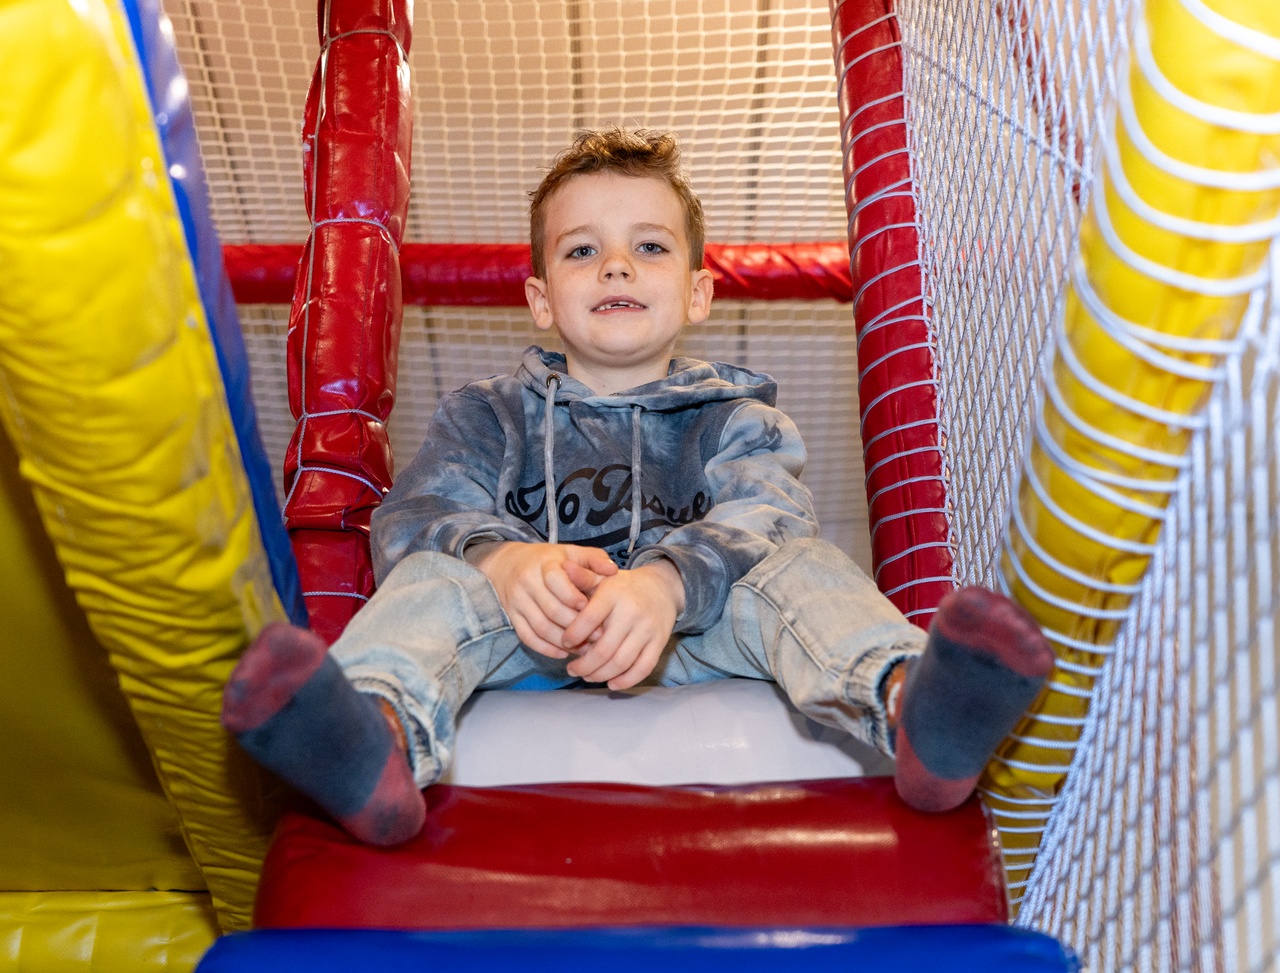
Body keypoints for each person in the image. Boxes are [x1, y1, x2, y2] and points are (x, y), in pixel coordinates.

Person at [222, 128, 1054, 846]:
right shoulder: (489, 414)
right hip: (527, 634)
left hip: (698, 635)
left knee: (798, 565)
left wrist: (664, 583)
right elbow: (414, 513)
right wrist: (505, 564)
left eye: (649, 246)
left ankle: (910, 702)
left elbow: (767, 511)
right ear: (542, 301)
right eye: (582, 249)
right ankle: (377, 736)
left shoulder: (734, 413)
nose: (616, 263)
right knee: (436, 576)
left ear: (698, 289)